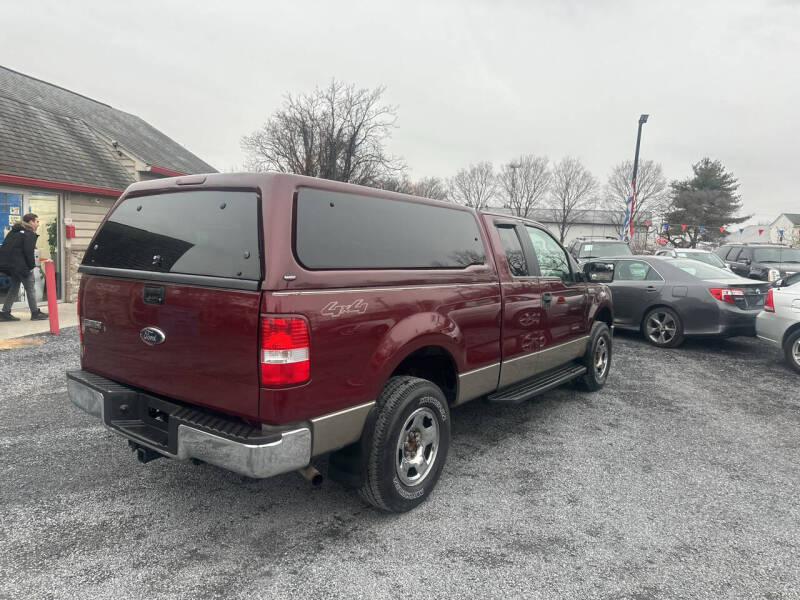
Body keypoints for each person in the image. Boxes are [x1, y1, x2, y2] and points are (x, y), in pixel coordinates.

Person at [0, 213, 49, 321]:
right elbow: (28, 252)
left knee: (14, 287)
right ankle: (35, 313)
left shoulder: (14, 231)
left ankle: (5, 313)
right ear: (31, 222)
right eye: (37, 221)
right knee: (30, 288)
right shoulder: (28, 233)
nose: (38, 224)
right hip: (21, 266)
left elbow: (7, 247)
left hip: (11, 266)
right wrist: (31, 266)